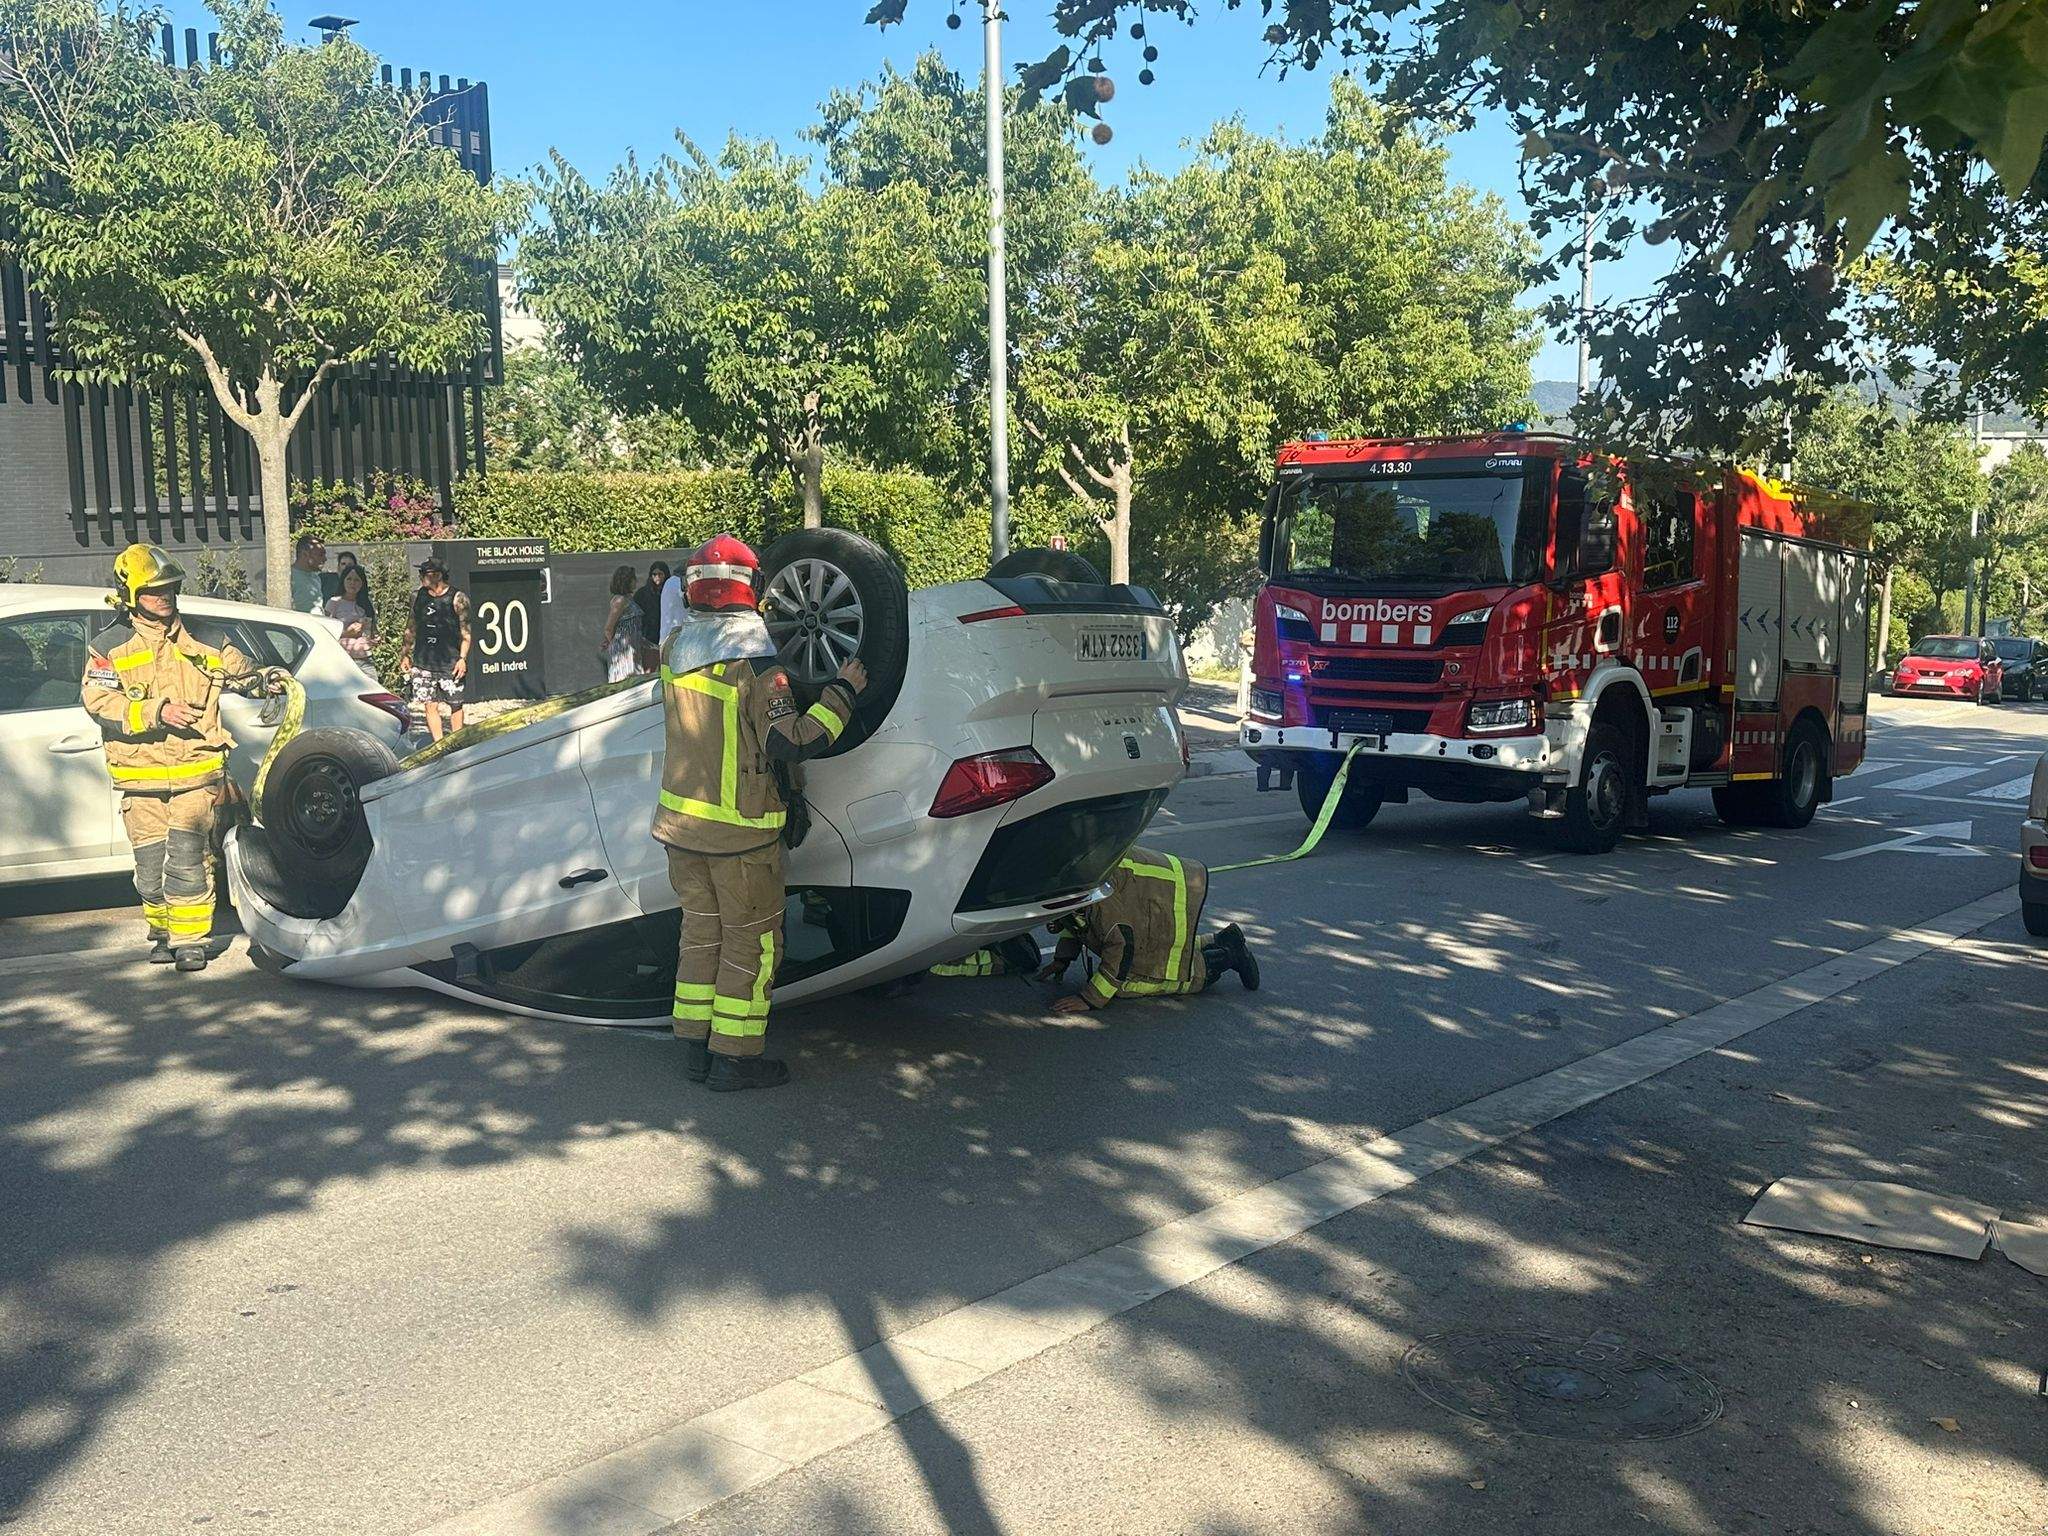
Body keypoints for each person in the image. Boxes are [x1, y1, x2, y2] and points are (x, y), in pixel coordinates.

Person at [656, 533, 866, 1092]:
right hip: (742, 836)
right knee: (752, 943)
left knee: (700, 936)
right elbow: (791, 741)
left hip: (683, 828)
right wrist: (842, 691)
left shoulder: (674, 650)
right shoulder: (757, 667)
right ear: (751, 590)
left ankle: (694, 1048)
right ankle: (736, 1058)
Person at [80, 544, 266, 971]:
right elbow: (97, 701)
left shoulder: (205, 640)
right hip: (139, 780)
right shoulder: (109, 646)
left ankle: (190, 941)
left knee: (187, 861)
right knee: (149, 868)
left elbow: (244, 671)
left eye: (170, 588)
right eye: (153, 590)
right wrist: (156, 712)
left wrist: (267, 679)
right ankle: (163, 932)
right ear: (130, 594)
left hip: (195, 776)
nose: (164, 596)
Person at [1039, 847, 1259, 1012]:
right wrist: (1063, 958)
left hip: (1160, 900)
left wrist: (1090, 998)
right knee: (1163, 945)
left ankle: (1224, 959)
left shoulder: (1098, 900)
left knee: (1129, 983)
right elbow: (1075, 919)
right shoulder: (1072, 873)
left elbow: (1121, 946)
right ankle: (1222, 938)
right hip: (1155, 891)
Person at [399, 557, 471, 741]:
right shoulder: (418, 596)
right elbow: (411, 626)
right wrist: (405, 654)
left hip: (450, 660)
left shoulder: (457, 598)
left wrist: (462, 658)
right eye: (421, 573)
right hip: (424, 661)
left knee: (455, 704)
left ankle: (457, 741)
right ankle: (438, 744)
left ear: (438, 575)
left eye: (425, 574)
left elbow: (466, 633)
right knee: (429, 704)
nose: (421, 577)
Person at [325, 563, 378, 673]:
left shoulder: (366, 604)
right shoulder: (334, 602)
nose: (352, 583)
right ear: (343, 581)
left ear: (362, 583)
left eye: (357, 580)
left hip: (365, 657)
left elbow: (373, 631)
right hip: (342, 658)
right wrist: (346, 633)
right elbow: (325, 633)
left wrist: (375, 639)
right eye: (349, 579)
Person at [600, 564, 640, 683]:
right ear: (627, 581)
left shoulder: (628, 599)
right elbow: (608, 627)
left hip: (633, 647)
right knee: (625, 681)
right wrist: (614, 644)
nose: (636, 581)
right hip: (623, 650)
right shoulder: (620, 600)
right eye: (633, 579)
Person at [634, 561, 670, 671]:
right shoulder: (643, 593)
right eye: (654, 574)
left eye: (660, 574)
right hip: (649, 635)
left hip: (666, 632)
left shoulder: (670, 590)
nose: (657, 577)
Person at [289, 533, 328, 615]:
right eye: (320, 555)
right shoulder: (289, 576)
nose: (325, 559)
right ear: (304, 554)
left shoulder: (316, 577)